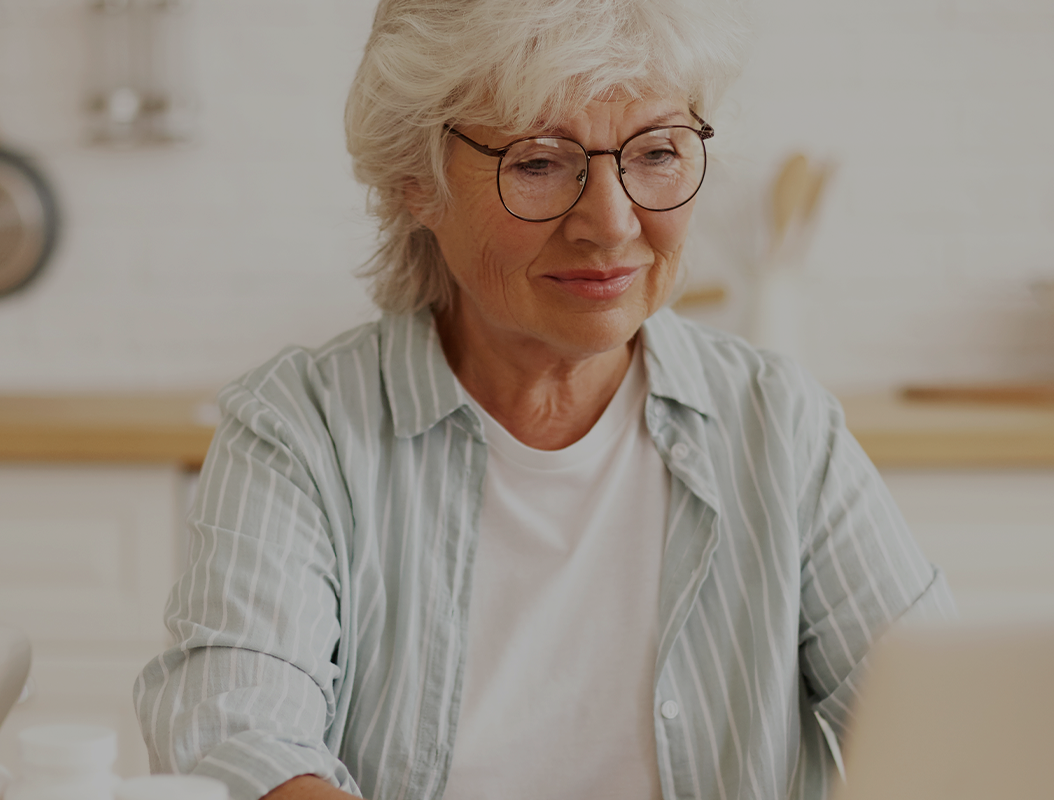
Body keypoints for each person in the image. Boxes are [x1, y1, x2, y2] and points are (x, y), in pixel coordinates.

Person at [134, 1, 953, 798]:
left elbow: (948, 732)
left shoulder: (781, 427)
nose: (611, 222)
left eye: (657, 153)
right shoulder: (299, 430)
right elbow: (239, 736)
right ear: (416, 182)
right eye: (536, 162)